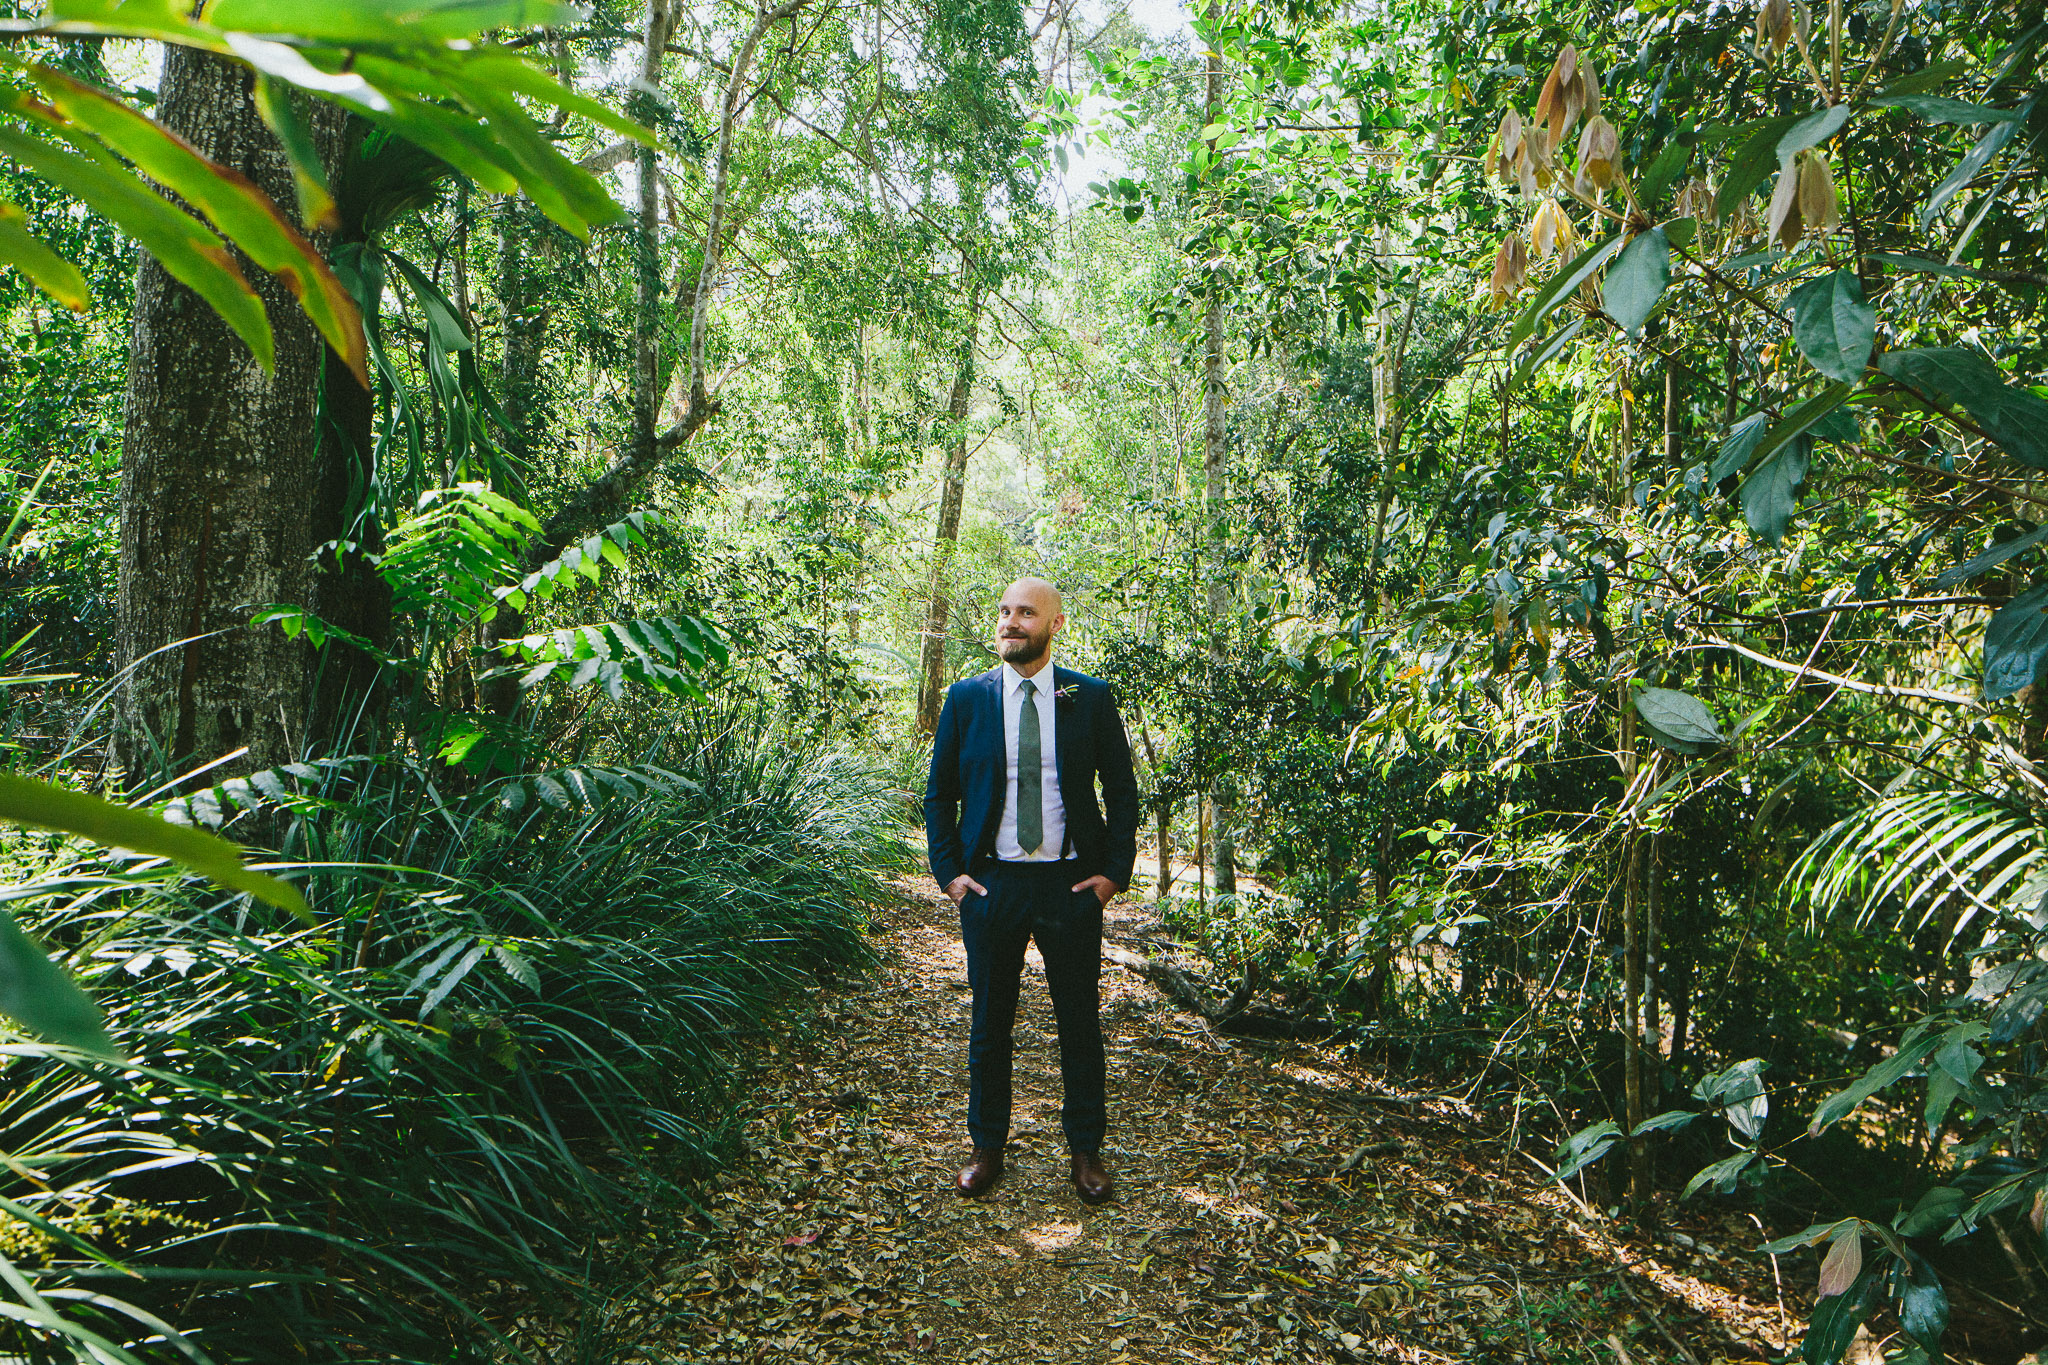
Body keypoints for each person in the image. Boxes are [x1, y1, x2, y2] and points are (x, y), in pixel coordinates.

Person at [923, 576, 1139, 1205]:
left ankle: (1085, 1153)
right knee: (991, 1019)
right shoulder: (966, 699)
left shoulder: (1089, 699)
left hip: (1069, 885)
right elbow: (939, 795)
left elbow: (1122, 794)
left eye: (1026, 613)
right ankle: (987, 1148)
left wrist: (1111, 876)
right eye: (1005, 612)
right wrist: (951, 874)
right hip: (993, 885)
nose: (1011, 622)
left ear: (1055, 624)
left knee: (1079, 1020)